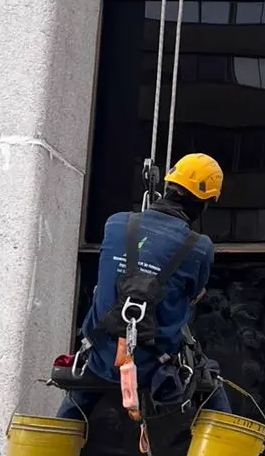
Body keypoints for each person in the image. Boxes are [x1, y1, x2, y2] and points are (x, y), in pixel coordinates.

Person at [58, 153, 232, 424]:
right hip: (155, 364)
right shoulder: (200, 247)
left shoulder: (116, 223)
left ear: (168, 185)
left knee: (77, 400)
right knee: (212, 384)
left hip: (100, 353)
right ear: (204, 203)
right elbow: (193, 295)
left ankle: (50, 452)